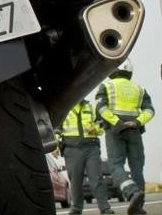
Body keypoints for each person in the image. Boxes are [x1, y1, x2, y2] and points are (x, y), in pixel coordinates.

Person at [96, 58, 154, 214]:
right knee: (137, 169)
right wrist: (136, 122)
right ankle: (138, 208)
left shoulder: (107, 86)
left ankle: (132, 192)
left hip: (116, 131)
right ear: (130, 72)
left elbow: (100, 108)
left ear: (113, 71)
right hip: (135, 131)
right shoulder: (139, 89)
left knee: (115, 165)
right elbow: (150, 111)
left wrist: (117, 122)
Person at [60, 96, 114, 214]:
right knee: (75, 180)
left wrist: (95, 129)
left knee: (96, 178)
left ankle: (105, 208)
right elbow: (56, 129)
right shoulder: (62, 109)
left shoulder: (91, 107)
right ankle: (77, 208)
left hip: (91, 147)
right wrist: (55, 145)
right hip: (71, 148)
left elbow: (101, 126)